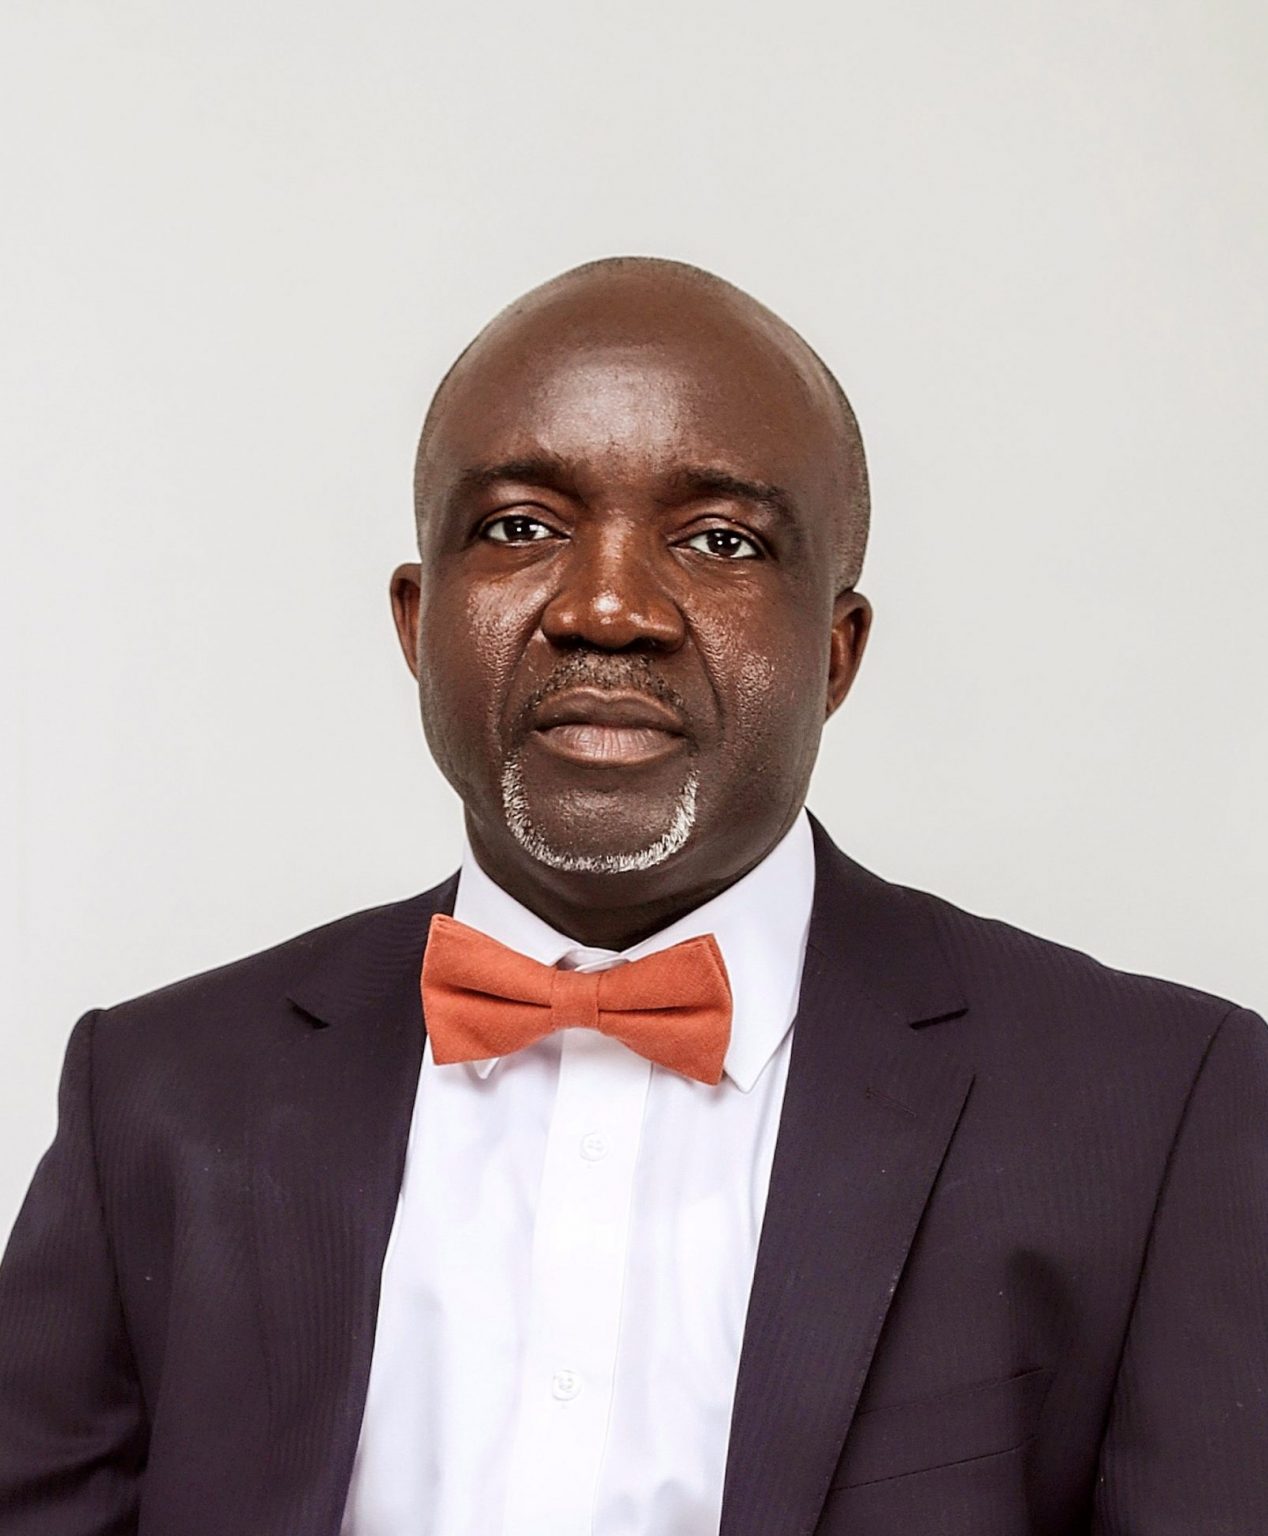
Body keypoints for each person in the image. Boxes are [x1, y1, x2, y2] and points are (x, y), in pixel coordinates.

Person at [1, 257, 1264, 1536]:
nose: (607, 609)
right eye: (519, 528)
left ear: (835, 651)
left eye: (720, 540)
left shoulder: (1157, 1112)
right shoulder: (151, 1098)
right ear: (417, 621)